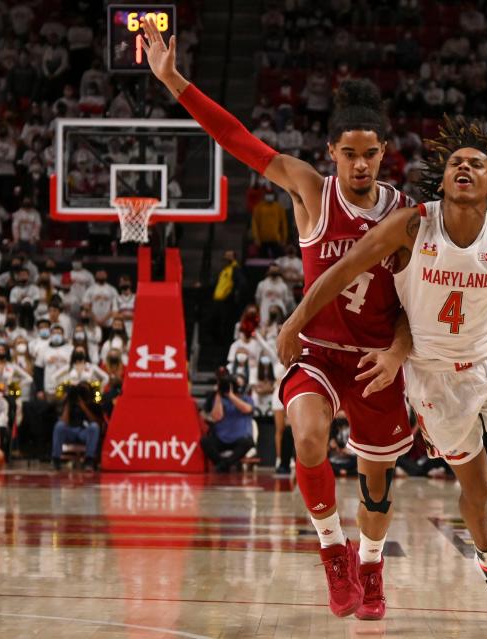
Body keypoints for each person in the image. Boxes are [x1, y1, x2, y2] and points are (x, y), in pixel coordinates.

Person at [144, 18, 416, 621]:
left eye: (371, 153)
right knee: (308, 436)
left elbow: (411, 309)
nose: (361, 164)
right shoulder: (309, 190)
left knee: (377, 485)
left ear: (384, 153)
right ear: (332, 153)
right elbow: (236, 138)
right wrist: (174, 81)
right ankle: (333, 556)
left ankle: (371, 565)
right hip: (316, 349)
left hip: (376, 357)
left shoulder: (406, 213)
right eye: (349, 153)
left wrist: (399, 352)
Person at [277, 116, 487, 618]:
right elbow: (341, 268)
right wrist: (295, 321)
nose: (463, 167)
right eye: (455, 163)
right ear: (443, 179)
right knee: (479, 489)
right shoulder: (412, 224)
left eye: (476, 164)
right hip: (435, 377)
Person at [201, 372, 256, 472]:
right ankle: (223, 464)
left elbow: (246, 409)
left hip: (240, 439)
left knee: (248, 442)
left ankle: (223, 465)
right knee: (205, 441)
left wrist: (230, 395)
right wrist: (218, 394)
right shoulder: (219, 399)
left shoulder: (246, 398)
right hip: (221, 438)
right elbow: (217, 417)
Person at [51, 382, 102, 470]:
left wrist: (83, 406)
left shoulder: (93, 403)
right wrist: (68, 403)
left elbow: (96, 422)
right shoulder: (69, 401)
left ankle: (89, 460)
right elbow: (64, 421)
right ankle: (56, 459)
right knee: (59, 425)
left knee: (94, 426)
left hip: (84, 432)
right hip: (70, 431)